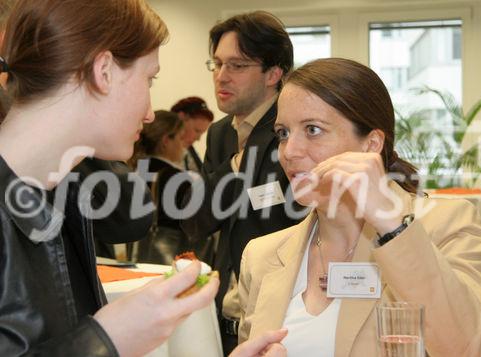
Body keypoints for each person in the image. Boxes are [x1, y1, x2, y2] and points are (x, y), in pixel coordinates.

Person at [0, 1, 287, 356]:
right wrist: (109, 336)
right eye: (149, 79)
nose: (151, 113)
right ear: (103, 71)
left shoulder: (62, 198)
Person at [238, 58, 481, 356]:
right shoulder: (262, 256)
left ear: (372, 144)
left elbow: (480, 348)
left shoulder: (445, 226)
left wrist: (390, 224)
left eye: (312, 130)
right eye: (283, 133)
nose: (290, 151)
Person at [180, 10, 305, 354]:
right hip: (227, 311)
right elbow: (197, 219)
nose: (221, 76)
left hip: (282, 314)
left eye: (236, 65)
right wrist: (236, 164)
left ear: (273, 73)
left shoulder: (293, 132)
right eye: (217, 64)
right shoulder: (221, 134)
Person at [129, 109, 191, 264]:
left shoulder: (133, 170)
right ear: (166, 141)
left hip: (135, 256)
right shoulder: (177, 178)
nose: (183, 145)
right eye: (180, 138)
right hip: (167, 260)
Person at [171, 96, 214, 172]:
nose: (198, 139)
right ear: (181, 117)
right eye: (197, 131)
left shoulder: (189, 154)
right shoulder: (152, 152)